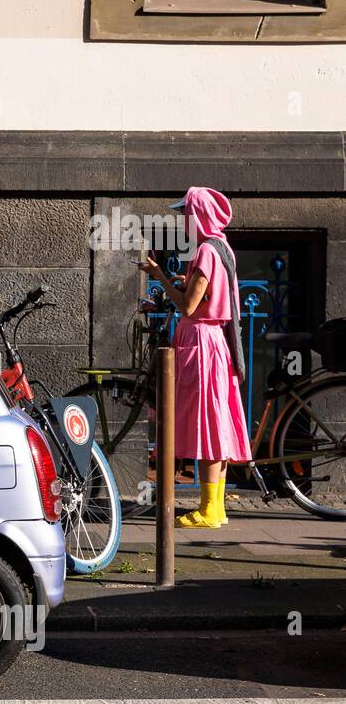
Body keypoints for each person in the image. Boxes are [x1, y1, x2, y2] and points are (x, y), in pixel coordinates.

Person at [139, 186, 252, 529]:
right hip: (215, 341)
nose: (184, 222)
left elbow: (188, 306)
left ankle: (207, 510)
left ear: (197, 215)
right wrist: (182, 281)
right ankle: (216, 507)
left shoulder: (204, 251)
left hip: (201, 345)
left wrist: (158, 276)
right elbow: (206, 294)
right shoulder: (222, 248)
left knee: (207, 425)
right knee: (217, 424)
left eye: (186, 215)